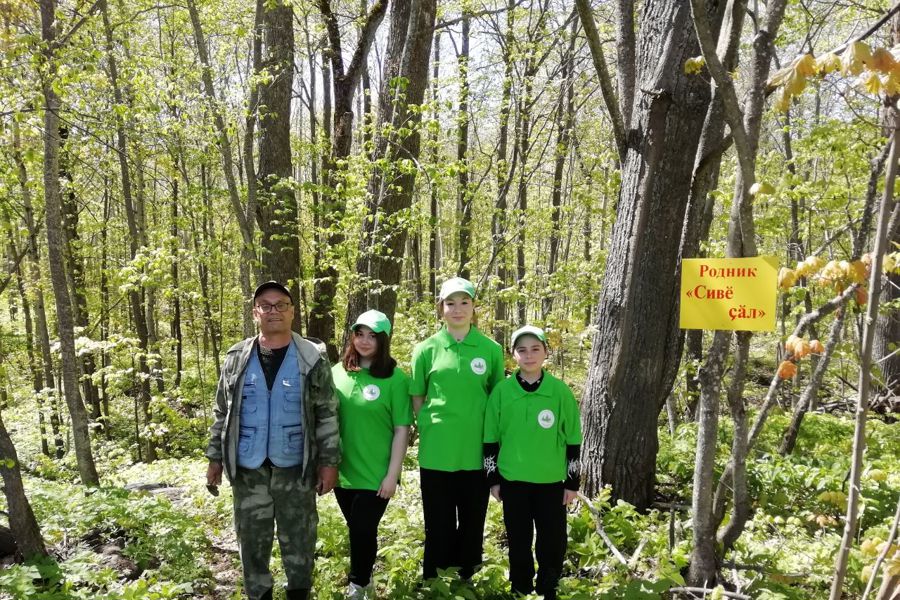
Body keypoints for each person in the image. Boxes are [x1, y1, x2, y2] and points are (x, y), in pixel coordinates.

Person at [205, 281, 340, 600]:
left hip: (296, 467)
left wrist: (329, 463)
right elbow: (221, 411)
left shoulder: (311, 357)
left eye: (281, 304)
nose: (274, 311)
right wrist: (215, 458)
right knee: (251, 541)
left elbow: (327, 412)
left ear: (293, 311)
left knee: (300, 540)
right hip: (248, 469)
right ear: (255, 313)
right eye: (266, 305)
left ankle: (298, 593)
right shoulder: (237, 357)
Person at [410, 277, 505, 580]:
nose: (458, 309)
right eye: (450, 303)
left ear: (474, 307)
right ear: (441, 308)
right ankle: (435, 579)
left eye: (464, 302)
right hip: (437, 450)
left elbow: (496, 396)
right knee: (438, 521)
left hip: (475, 450)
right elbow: (417, 395)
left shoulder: (490, 349)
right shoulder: (426, 349)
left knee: (473, 518)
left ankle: (467, 577)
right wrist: (428, 423)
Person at [483, 325, 582, 600]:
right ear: (513, 355)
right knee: (518, 540)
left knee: (552, 541)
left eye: (535, 349)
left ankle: (549, 587)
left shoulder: (559, 392)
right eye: (522, 350)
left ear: (546, 352)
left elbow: (573, 440)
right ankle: (520, 588)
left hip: (551, 482)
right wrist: (492, 480)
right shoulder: (502, 392)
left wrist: (572, 482)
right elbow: (490, 440)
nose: (529, 356)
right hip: (513, 481)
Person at [332, 310, 412, 599]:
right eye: (360, 334)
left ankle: (357, 584)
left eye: (373, 336)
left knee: (363, 528)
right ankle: (365, 583)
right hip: (342, 470)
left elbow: (402, 429)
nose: (365, 341)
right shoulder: (337, 372)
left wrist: (392, 475)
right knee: (357, 529)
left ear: (383, 340)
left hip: (377, 472)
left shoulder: (396, 379)